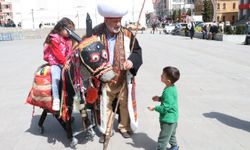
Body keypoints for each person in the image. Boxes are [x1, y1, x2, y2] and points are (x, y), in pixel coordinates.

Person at [93, 0, 143, 143]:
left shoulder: (127, 33)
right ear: (106, 20)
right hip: (104, 78)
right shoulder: (96, 33)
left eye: (119, 20)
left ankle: (124, 127)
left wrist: (131, 61)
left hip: (123, 77)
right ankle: (106, 131)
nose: (118, 24)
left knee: (124, 104)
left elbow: (137, 51)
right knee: (105, 105)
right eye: (114, 21)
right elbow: (88, 52)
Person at [43, 17, 75, 111]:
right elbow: (57, 53)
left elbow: (70, 52)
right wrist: (64, 62)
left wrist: (70, 60)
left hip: (66, 62)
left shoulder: (68, 39)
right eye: (68, 30)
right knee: (56, 78)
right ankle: (56, 99)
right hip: (56, 63)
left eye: (72, 30)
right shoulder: (53, 38)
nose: (70, 32)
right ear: (61, 28)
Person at [148, 66, 180, 150]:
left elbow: (165, 107)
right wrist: (159, 98)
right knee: (171, 135)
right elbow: (169, 101)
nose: (161, 75)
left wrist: (155, 108)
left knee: (163, 139)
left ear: (168, 81)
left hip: (168, 120)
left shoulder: (168, 91)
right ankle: (175, 147)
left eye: (163, 75)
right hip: (173, 118)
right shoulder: (171, 87)